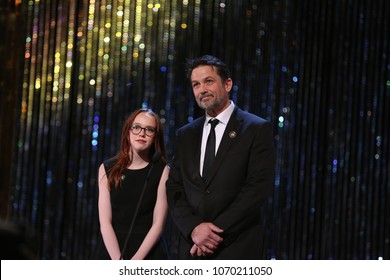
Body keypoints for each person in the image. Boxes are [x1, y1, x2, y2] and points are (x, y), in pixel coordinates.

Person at [166, 55, 276, 259]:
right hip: (192, 248)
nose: (202, 90)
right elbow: (174, 188)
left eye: (208, 81)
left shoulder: (256, 128)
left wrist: (213, 232)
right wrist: (194, 229)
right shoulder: (186, 134)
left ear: (227, 84)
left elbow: (257, 189)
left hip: (236, 247)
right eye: (196, 84)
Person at [96, 108, 169, 260]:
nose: (142, 133)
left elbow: (158, 225)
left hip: (148, 253)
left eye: (149, 130)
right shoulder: (107, 168)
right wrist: (119, 261)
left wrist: (134, 263)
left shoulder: (162, 170)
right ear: (128, 131)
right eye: (136, 127)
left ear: (155, 136)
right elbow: (105, 222)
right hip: (112, 249)